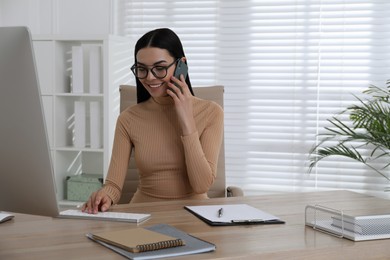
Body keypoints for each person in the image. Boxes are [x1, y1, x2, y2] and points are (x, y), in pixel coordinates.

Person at [82, 28, 224, 213]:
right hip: (143, 215)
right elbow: (114, 186)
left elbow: (201, 186)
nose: (149, 78)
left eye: (159, 68)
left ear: (182, 65)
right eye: (142, 69)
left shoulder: (211, 112)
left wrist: (186, 120)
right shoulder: (128, 119)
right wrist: (105, 195)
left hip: (195, 216)